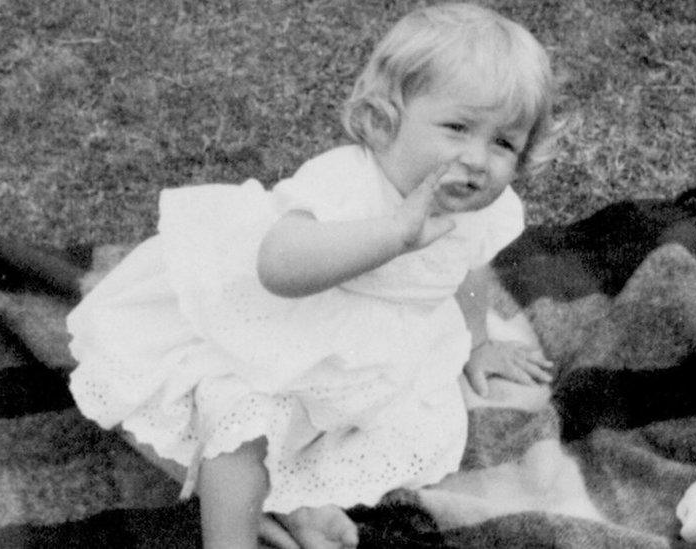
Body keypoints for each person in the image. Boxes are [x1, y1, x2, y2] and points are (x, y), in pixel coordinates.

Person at [66, 3, 560, 547]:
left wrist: (477, 342)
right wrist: (392, 234)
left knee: (352, 426)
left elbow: (467, 266)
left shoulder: (477, 206)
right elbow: (279, 267)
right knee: (241, 425)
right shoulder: (346, 184)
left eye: (504, 143)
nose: (477, 159)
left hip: (366, 347)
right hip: (273, 328)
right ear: (385, 118)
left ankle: (297, 500)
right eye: (457, 127)